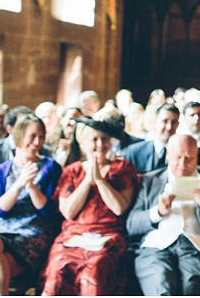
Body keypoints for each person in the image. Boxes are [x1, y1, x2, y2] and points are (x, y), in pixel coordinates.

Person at [40, 118, 138, 295]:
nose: (100, 144)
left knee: (94, 269)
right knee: (58, 267)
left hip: (108, 235)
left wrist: (100, 181)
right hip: (73, 235)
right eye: (94, 139)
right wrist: (87, 180)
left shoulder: (122, 168)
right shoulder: (72, 170)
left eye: (104, 139)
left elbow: (119, 208)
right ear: (83, 143)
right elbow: (68, 211)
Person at [126, 134, 200, 295]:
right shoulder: (149, 180)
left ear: (197, 156)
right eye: (178, 157)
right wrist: (158, 212)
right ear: (168, 154)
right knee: (162, 286)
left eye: (189, 158)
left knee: (191, 288)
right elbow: (131, 224)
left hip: (198, 246)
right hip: (156, 245)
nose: (183, 165)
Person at [0, 114, 62, 295]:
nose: (37, 141)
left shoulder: (51, 167)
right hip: (5, 229)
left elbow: (49, 213)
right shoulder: (1, 170)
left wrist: (30, 186)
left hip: (35, 231)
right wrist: (19, 183)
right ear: (19, 136)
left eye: (41, 136)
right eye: (32, 136)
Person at [122, 103, 180, 172]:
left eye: (173, 122)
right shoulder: (135, 152)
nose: (169, 127)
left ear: (178, 124)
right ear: (154, 122)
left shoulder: (184, 153)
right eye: (165, 121)